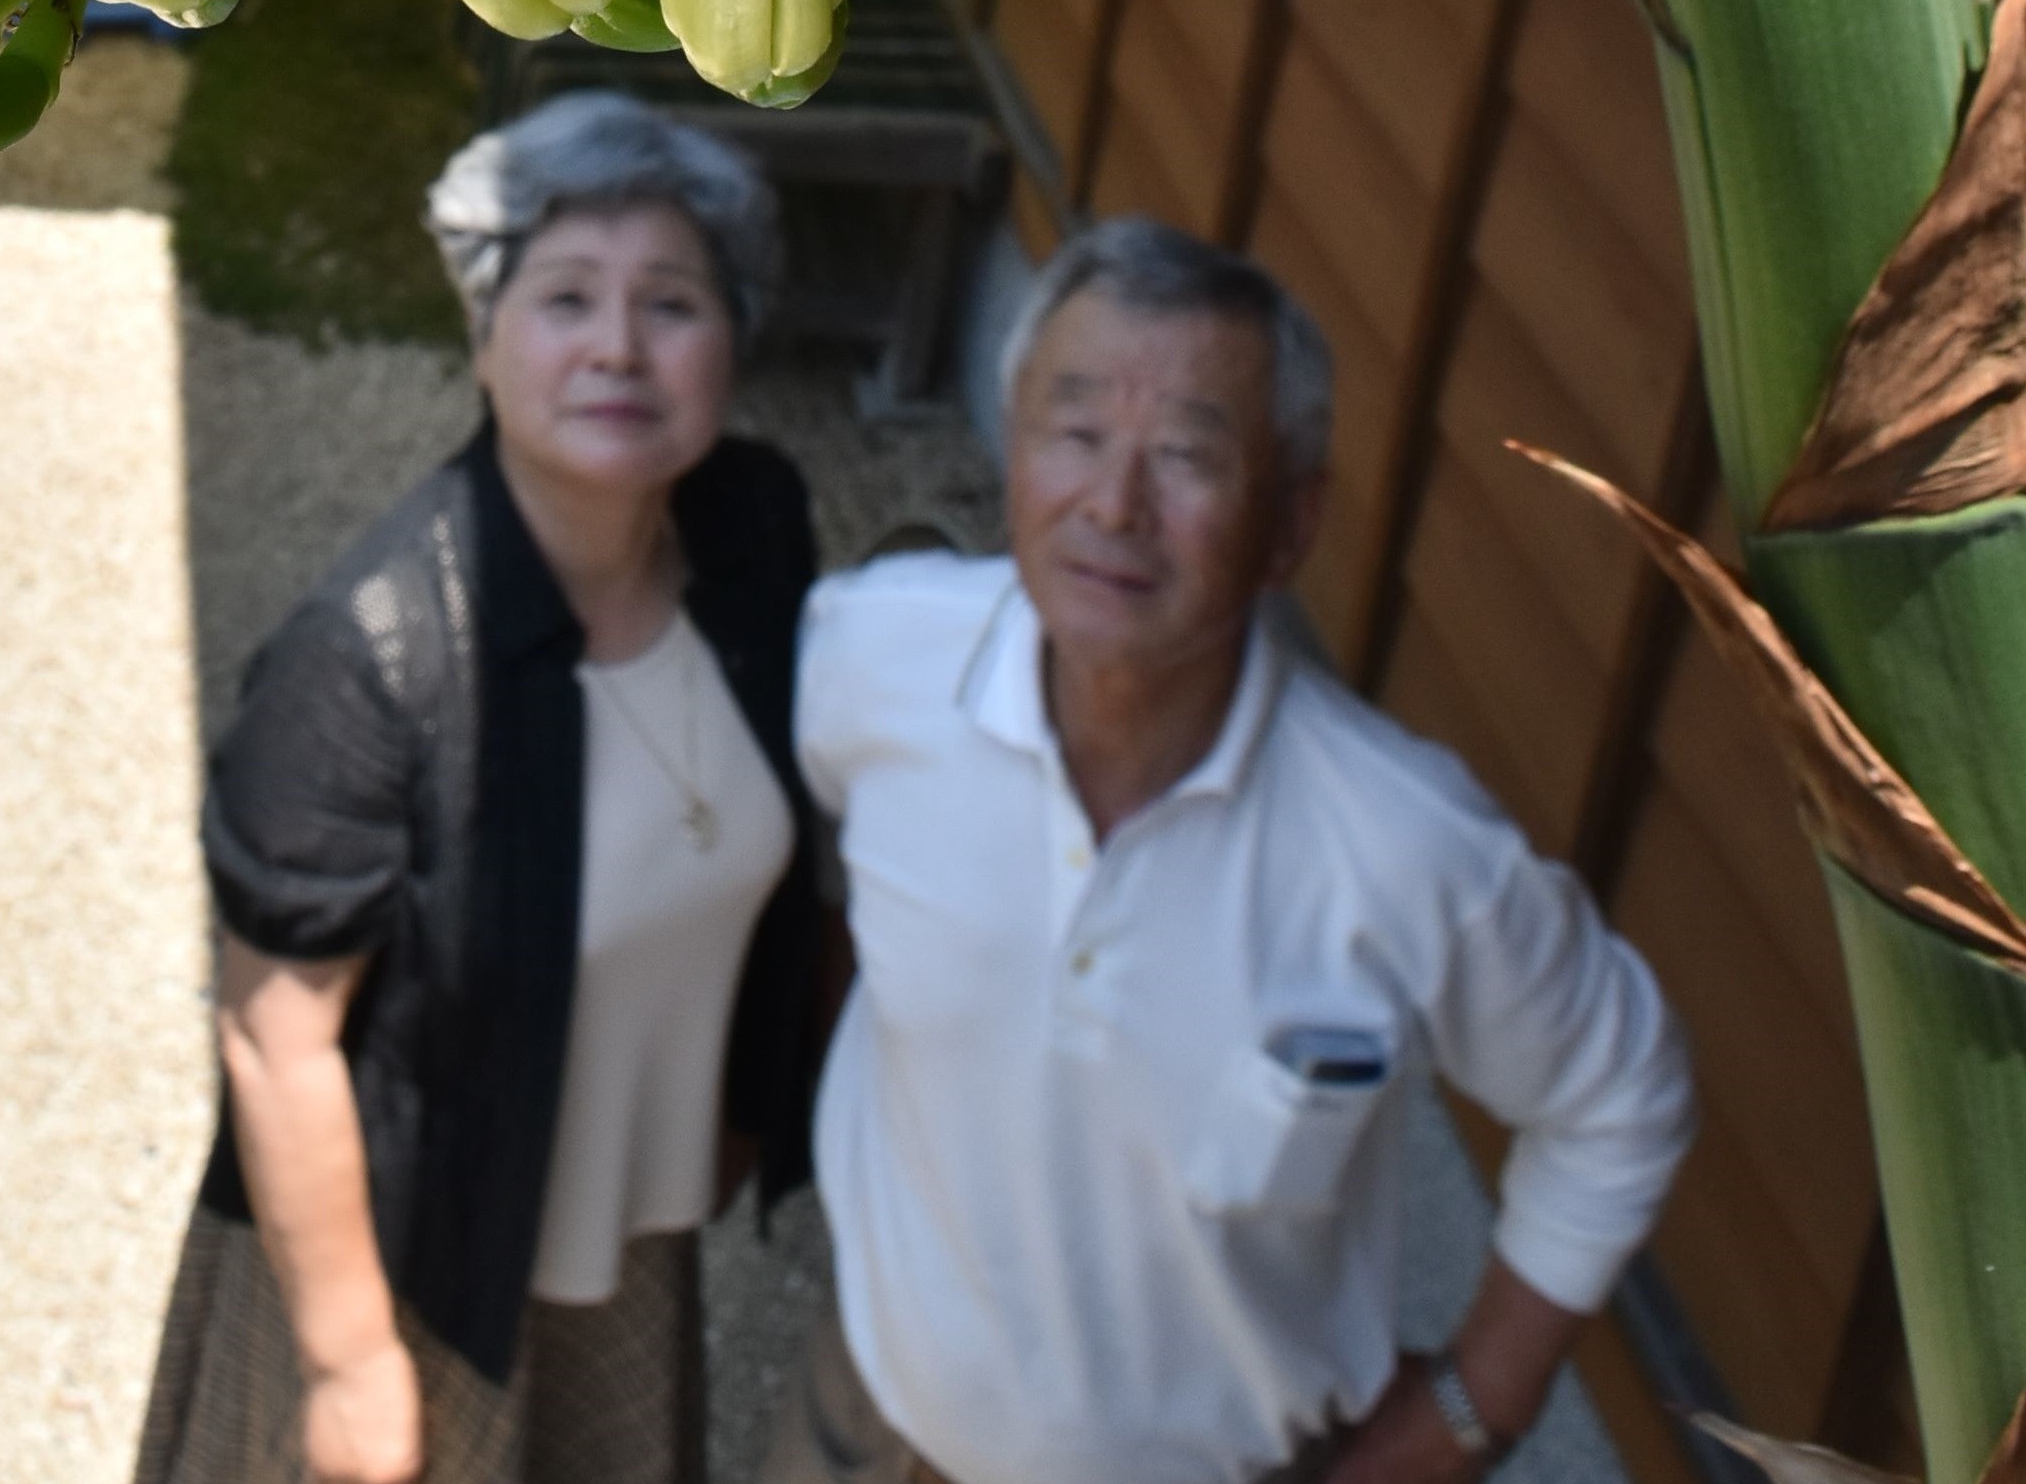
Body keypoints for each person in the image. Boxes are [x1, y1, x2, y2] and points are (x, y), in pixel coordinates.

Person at [765, 215, 1695, 1484]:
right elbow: (801, 864)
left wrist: (1480, 1403)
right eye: (1075, 431)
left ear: (1288, 523)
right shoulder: (869, 660)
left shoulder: (1405, 847)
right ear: (1017, 447)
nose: (1114, 501)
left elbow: (1619, 1090)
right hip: (871, 1429)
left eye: (1188, 452)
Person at [138, 91, 824, 1484]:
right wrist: (346, 1359)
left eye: (672, 303)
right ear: (482, 335)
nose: (617, 347)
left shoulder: (751, 540)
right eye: (565, 297)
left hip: (621, 1247)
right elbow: (276, 1036)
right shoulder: (370, 655)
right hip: (408, 1262)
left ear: (732, 341)